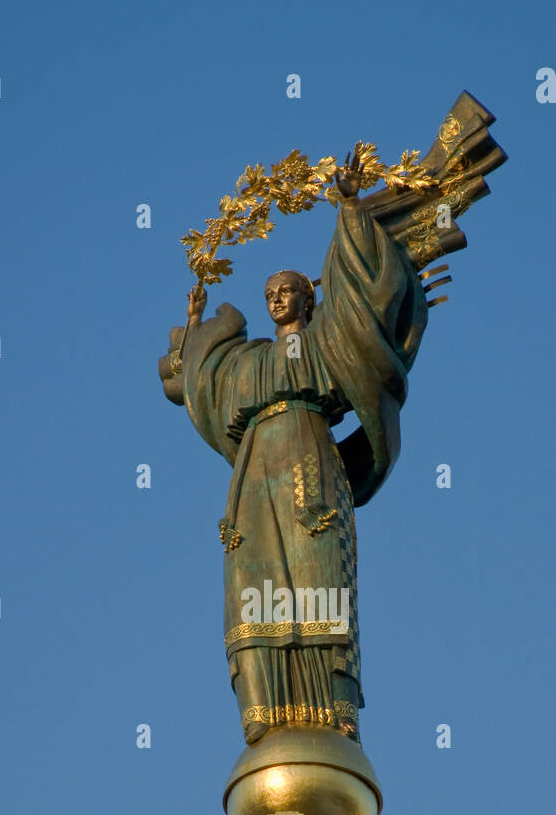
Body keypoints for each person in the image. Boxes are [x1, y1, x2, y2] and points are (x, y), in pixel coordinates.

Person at [159, 151, 428, 744]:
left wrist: (350, 207)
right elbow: (197, 383)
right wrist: (198, 326)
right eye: (270, 292)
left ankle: (332, 707)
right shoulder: (248, 360)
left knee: (317, 575)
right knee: (254, 584)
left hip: (311, 461)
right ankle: (263, 706)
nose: (277, 298)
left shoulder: (328, 342)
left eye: (288, 290)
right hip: (256, 475)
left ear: (309, 299)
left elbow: (358, 300)